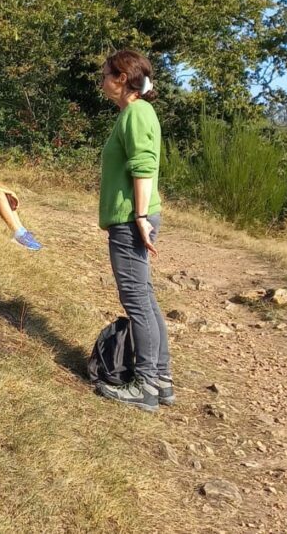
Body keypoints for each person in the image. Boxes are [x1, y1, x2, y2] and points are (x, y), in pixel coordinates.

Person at [93, 49, 173, 412]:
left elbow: (144, 165)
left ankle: (144, 386)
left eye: (105, 74)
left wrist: (139, 217)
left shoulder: (137, 113)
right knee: (146, 297)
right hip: (132, 219)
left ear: (121, 78)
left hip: (130, 221)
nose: (102, 80)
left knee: (138, 302)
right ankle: (160, 379)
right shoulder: (135, 112)